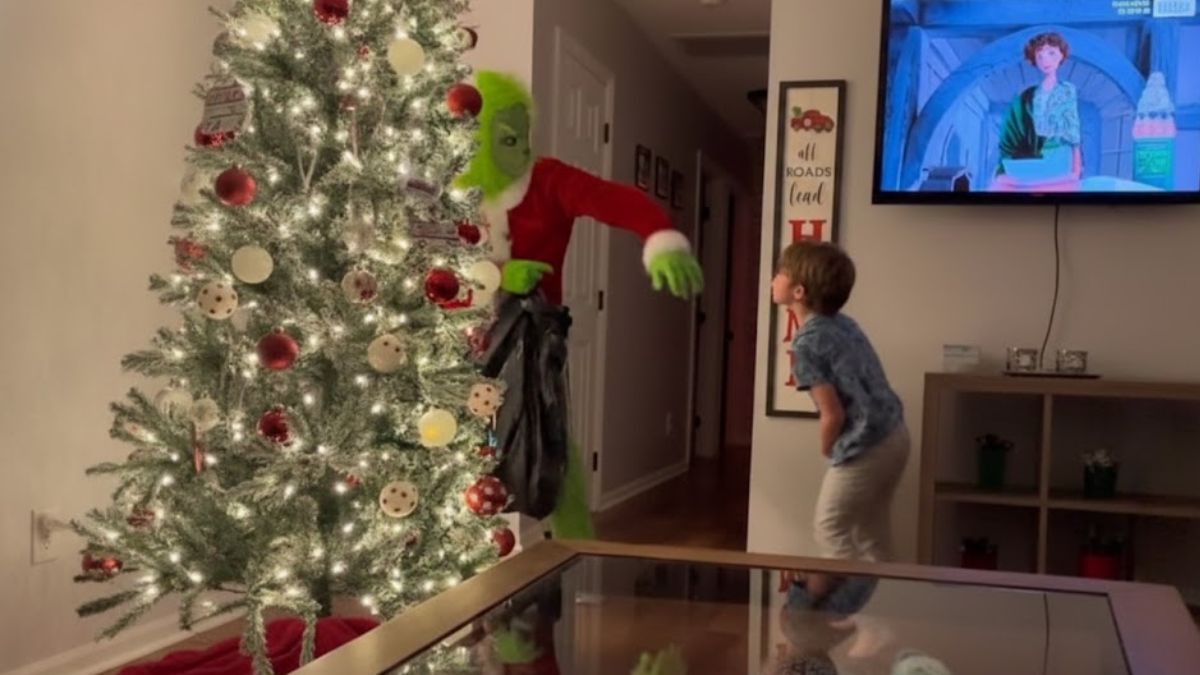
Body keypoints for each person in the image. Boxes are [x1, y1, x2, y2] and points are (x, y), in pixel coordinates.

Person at [770, 242, 908, 574]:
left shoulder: (806, 343)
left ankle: (847, 598)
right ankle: (887, 603)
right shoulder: (844, 324)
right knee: (871, 533)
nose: (773, 279)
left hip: (867, 444)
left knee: (830, 528)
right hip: (895, 435)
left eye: (780, 273)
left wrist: (828, 449)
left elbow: (832, 414)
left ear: (798, 291)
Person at [994, 32, 1083, 187]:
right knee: (1008, 180)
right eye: (1039, 56)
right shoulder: (1028, 95)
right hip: (1035, 155)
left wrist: (1076, 169)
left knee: (1056, 181)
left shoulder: (1067, 90)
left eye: (1051, 53)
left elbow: (1073, 130)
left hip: (1060, 153)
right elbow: (1014, 130)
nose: (1045, 60)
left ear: (1061, 55)